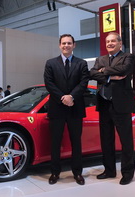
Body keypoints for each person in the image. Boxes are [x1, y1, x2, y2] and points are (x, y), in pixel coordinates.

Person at [90, 32, 135, 185]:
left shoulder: (128, 57)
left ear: (119, 43)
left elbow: (124, 70)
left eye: (113, 41)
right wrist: (110, 76)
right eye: (107, 41)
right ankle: (109, 170)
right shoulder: (100, 59)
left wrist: (103, 71)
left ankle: (128, 173)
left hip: (122, 105)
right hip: (104, 104)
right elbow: (91, 73)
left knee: (126, 141)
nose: (110, 43)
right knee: (106, 140)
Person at [43, 34, 89, 185]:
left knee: (76, 142)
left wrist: (72, 97)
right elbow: (49, 83)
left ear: (74, 45)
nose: (66, 45)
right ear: (59, 45)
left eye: (69, 43)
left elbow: (83, 83)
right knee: (55, 142)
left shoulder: (82, 63)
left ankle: (77, 173)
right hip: (57, 108)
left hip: (75, 108)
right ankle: (55, 173)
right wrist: (63, 97)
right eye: (64, 43)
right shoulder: (51, 63)